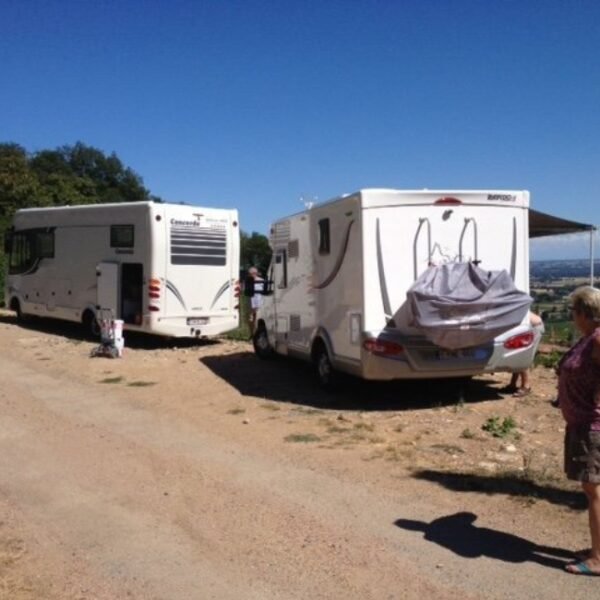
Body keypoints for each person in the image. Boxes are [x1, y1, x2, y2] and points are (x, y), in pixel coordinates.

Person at [557, 286, 600, 576]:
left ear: (585, 312)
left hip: (592, 427)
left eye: (573, 311)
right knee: (592, 489)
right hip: (581, 425)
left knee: (593, 490)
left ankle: (598, 559)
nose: (571, 316)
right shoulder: (589, 339)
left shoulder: (598, 338)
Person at [504, 311, 544, 397]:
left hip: (534, 327)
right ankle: (512, 384)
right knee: (517, 355)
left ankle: (526, 386)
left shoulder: (510, 305)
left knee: (523, 356)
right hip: (527, 327)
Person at [246, 266, 264, 334]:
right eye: (251, 273)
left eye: (254, 273)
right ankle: (252, 333)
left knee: (257, 319)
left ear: (256, 273)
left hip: (259, 303)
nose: (253, 274)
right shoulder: (248, 281)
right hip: (250, 304)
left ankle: (256, 334)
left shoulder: (261, 281)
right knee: (250, 320)